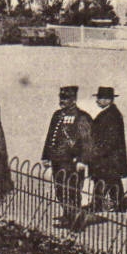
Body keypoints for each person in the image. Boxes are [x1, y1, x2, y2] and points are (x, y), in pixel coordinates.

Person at [41, 85, 92, 229]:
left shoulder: (81, 117)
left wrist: (82, 160)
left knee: (72, 190)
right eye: (61, 98)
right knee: (60, 189)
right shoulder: (57, 115)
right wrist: (46, 156)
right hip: (57, 160)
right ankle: (67, 215)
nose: (62, 101)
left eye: (66, 98)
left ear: (74, 99)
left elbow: (87, 142)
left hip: (71, 162)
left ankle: (75, 222)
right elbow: (50, 137)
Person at [87, 86, 127, 213]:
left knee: (104, 179)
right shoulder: (110, 113)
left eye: (99, 98)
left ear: (108, 100)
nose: (97, 101)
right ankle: (118, 204)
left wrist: (97, 152)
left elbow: (111, 140)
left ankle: (98, 204)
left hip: (108, 157)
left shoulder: (111, 115)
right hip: (110, 157)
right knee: (112, 180)